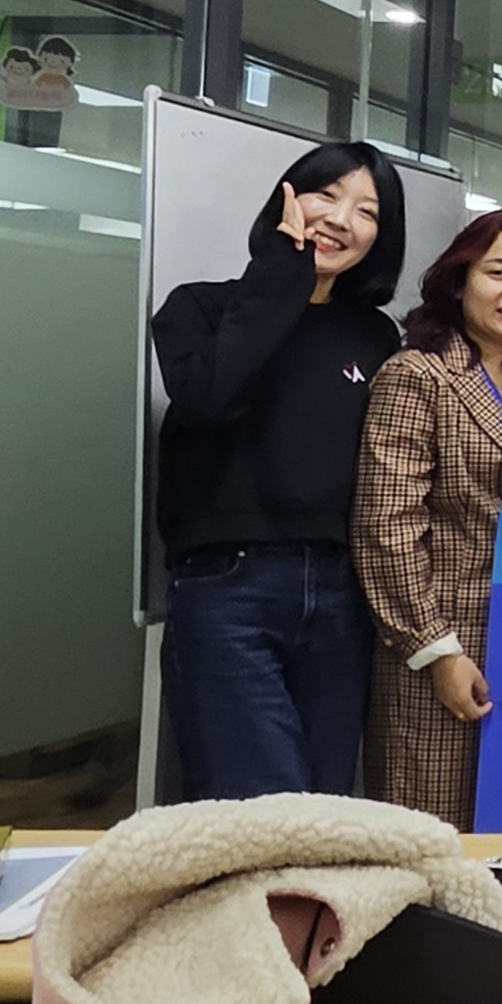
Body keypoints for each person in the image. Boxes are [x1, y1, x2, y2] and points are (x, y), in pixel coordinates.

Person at [151, 140, 407, 799]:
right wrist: (282, 274)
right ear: (287, 199)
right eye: (327, 194)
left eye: (367, 211)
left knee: (323, 805)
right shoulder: (198, 308)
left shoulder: (375, 336)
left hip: (342, 592)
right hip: (228, 586)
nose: (341, 219)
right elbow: (211, 397)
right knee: (260, 802)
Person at [354, 208, 502, 826]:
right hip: (444, 639)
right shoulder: (416, 375)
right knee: (435, 825)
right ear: (460, 282)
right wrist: (435, 651)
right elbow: (386, 525)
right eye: (499, 272)